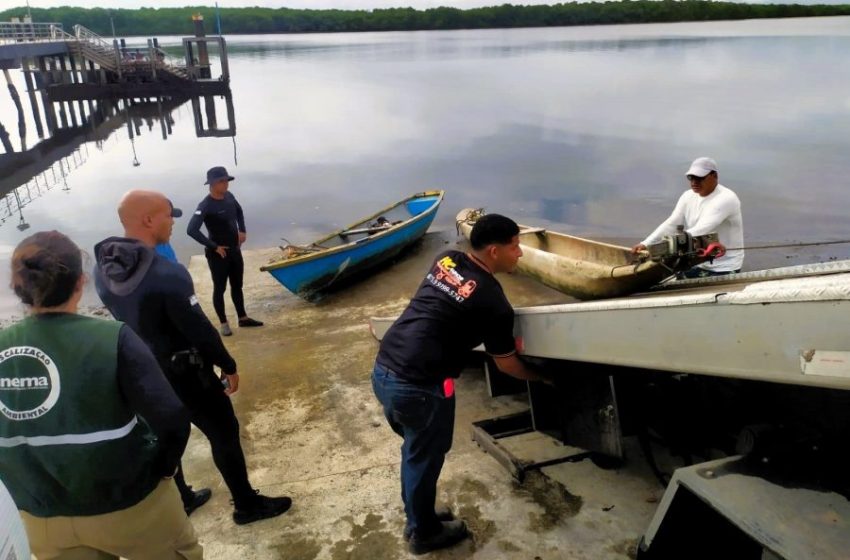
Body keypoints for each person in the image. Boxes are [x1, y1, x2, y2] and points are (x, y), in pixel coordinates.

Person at [94, 190, 292, 525]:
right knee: (224, 432)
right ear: (148, 220)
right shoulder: (166, 274)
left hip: (142, 373)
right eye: (169, 215)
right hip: (187, 374)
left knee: (167, 433)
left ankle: (183, 498)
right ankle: (246, 505)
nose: (173, 222)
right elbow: (199, 330)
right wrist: (228, 365)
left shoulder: (103, 270)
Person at [0, 230, 202, 559]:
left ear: (17, 286)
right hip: (130, 506)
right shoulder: (113, 337)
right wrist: (164, 469)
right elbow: (172, 418)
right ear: (81, 283)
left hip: (42, 517)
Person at [373, 214, 549, 555]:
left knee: (415, 452)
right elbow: (507, 363)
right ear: (495, 251)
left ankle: (419, 513)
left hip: (383, 369)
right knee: (422, 457)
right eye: (516, 247)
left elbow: (442, 307)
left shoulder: (447, 258)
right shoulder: (494, 302)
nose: (520, 254)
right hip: (420, 385)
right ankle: (423, 531)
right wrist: (543, 377)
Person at [632, 157, 744, 278]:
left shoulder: (726, 198)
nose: (694, 182)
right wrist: (646, 244)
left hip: (724, 267)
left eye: (700, 178)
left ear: (714, 176)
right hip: (697, 262)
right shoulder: (687, 196)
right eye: (691, 177)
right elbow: (672, 223)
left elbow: (701, 229)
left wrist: (659, 247)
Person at [187, 166, 263, 337]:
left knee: (237, 285)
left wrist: (242, 230)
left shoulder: (229, 197)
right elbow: (191, 230)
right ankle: (223, 323)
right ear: (212, 184)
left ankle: (242, 318)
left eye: (226, 180)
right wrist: (214, 247)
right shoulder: (205, 205)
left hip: (235, 250)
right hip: (218, 254)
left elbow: (239, 211)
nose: (226, 184)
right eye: (221, 181)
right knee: (219, 288)